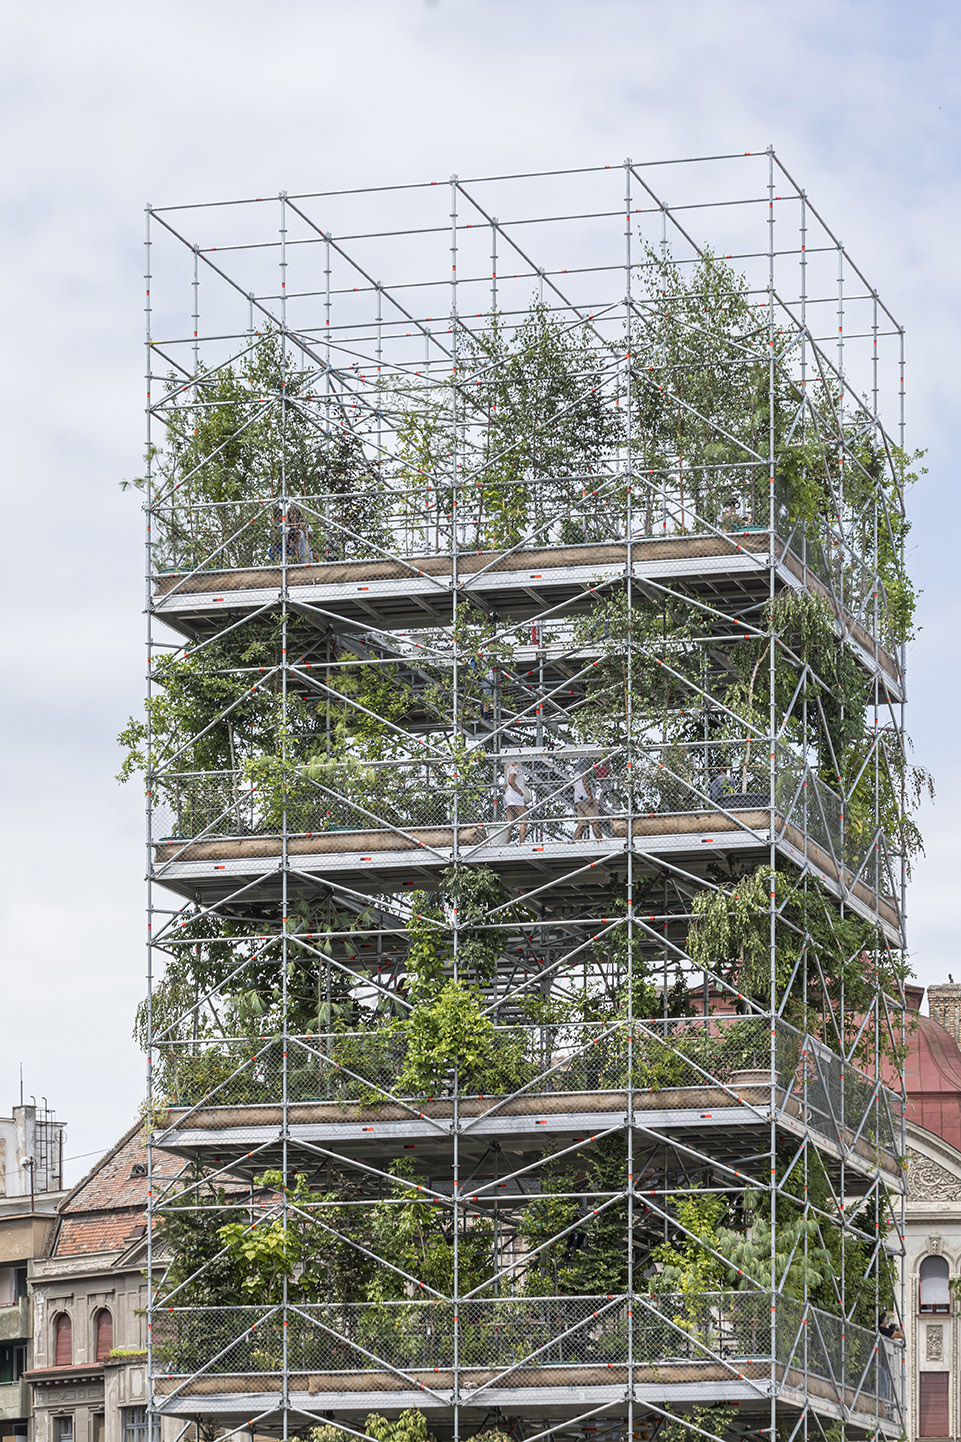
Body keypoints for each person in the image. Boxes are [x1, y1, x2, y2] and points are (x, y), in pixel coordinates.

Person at [502, 760, 529, 844]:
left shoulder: (508, 768)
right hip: (515, 795)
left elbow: (504, 786)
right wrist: (519, 791)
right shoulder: (515, 766)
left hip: (508, 795)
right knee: (524, 818)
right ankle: (522, 843)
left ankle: (506, 843)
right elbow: (510, 780)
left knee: (510, 822)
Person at [573, 763, 602, 840]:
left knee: (582, 824)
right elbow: (585, 780)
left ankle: (576, 842)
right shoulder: (587, 763)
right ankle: (600, 841)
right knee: (595, 821)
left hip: (579, 799)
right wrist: (590, 796)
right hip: (586, 799)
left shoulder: (577, 769)